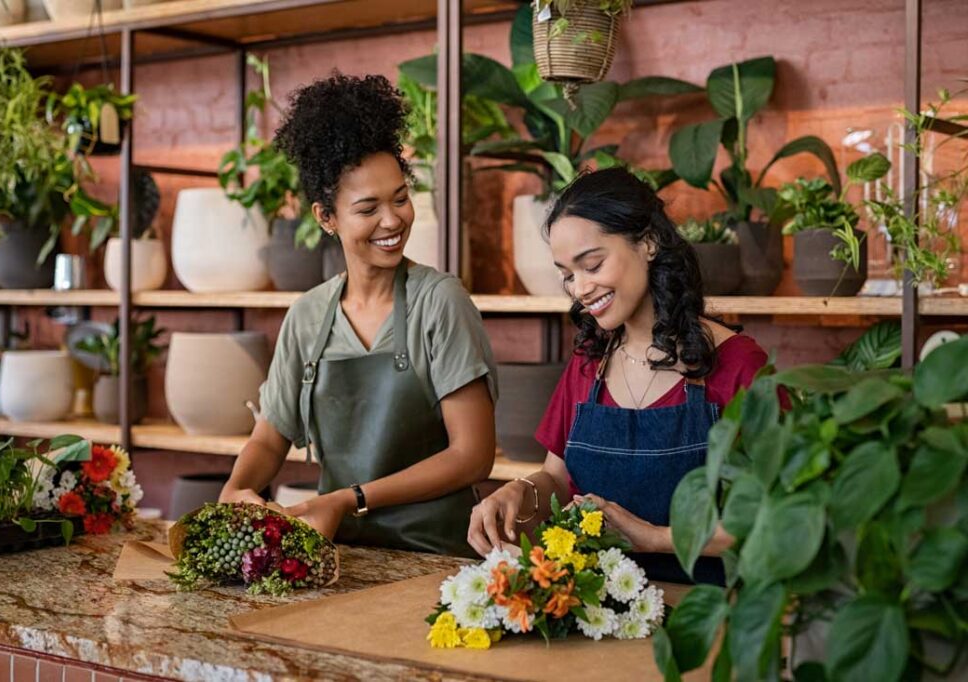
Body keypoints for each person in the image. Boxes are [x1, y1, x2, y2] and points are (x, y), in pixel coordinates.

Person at [220, 73, 498, 559]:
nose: (392, 221)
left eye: (400, 198)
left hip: (436, 558)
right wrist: (235, 492)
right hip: (343, 556)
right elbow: (269, 440)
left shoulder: (440, 301)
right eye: (368, 208)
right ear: (326, 218)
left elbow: (472, 456)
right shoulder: (307, 317)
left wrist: (349, 500)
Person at [468, 167, 771, 583]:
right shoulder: (590, 363)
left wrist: (654, 537)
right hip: (593, 607)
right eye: (568, 275)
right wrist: (521, 492)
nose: (580, 288)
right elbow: (557, 477)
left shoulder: (739, 365)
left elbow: (776, 517)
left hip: (702, 611)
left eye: (592, 264)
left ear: (647, 242)